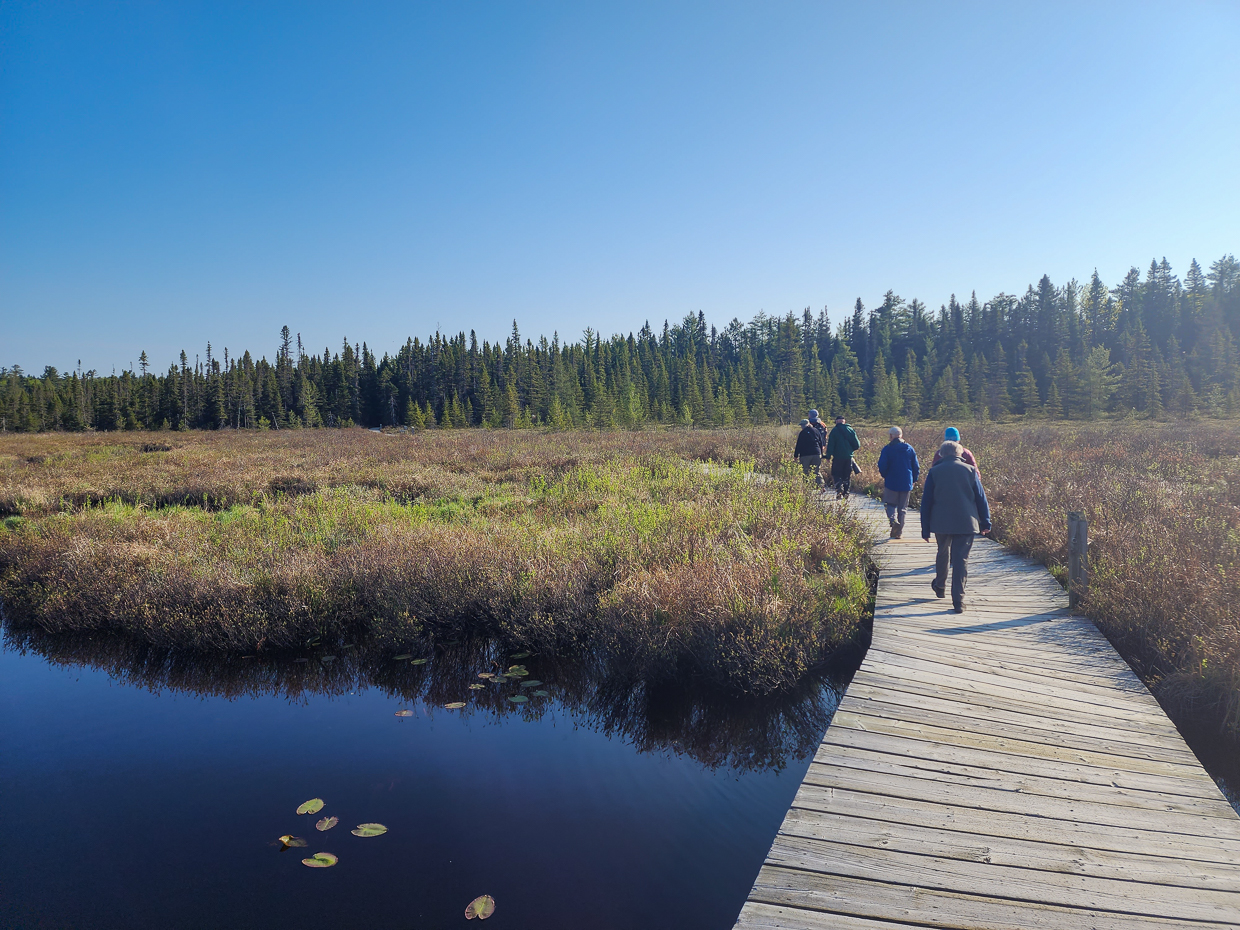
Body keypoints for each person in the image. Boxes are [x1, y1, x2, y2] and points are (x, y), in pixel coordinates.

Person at [920, 440, 991, 613]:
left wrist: (925, 527)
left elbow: (926, 501)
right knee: (961, 560)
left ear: (942, 454)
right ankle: (958, 600)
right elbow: (981, 499)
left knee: (942, 552)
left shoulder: (934, 471)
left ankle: (940, 586)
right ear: (960, 454)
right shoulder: (970, 471)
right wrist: (985, 522)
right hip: (966, 522)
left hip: (941, 522)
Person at [877, 426, 919, 539]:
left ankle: (893, 521)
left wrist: (885, 475)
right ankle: (899, 532)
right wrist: (914, 479)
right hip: (906, 482)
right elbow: (916, 466)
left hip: (892, 481)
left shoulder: (887, 449)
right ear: (901, 435)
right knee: (903, 508)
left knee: (889, 504)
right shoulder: (909, 448)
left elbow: (882, 465)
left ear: (891, 436)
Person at [824, 414, 861, 499]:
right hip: (848, 458)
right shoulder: (851, 430)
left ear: (836, 421)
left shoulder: (834, 431)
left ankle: (839, 489)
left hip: (837, 458)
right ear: (844, 421)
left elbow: (831, 445)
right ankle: (846, 493)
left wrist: (828, 456)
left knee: (836, 474)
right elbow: (857, 445)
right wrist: (850, 451)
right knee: (847, 476)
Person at [792, 418, 824, 487]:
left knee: (805, 472)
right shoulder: (816, 431)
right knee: (816, 471)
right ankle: (821, 486)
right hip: (817, 453)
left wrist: (795, 456)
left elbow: (798, 445)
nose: (802, 426)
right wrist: (821, 453)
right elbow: (821, 443)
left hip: (805, 455)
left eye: (802, 425)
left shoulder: (802, 433)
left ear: (806, 425)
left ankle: (807, 488)